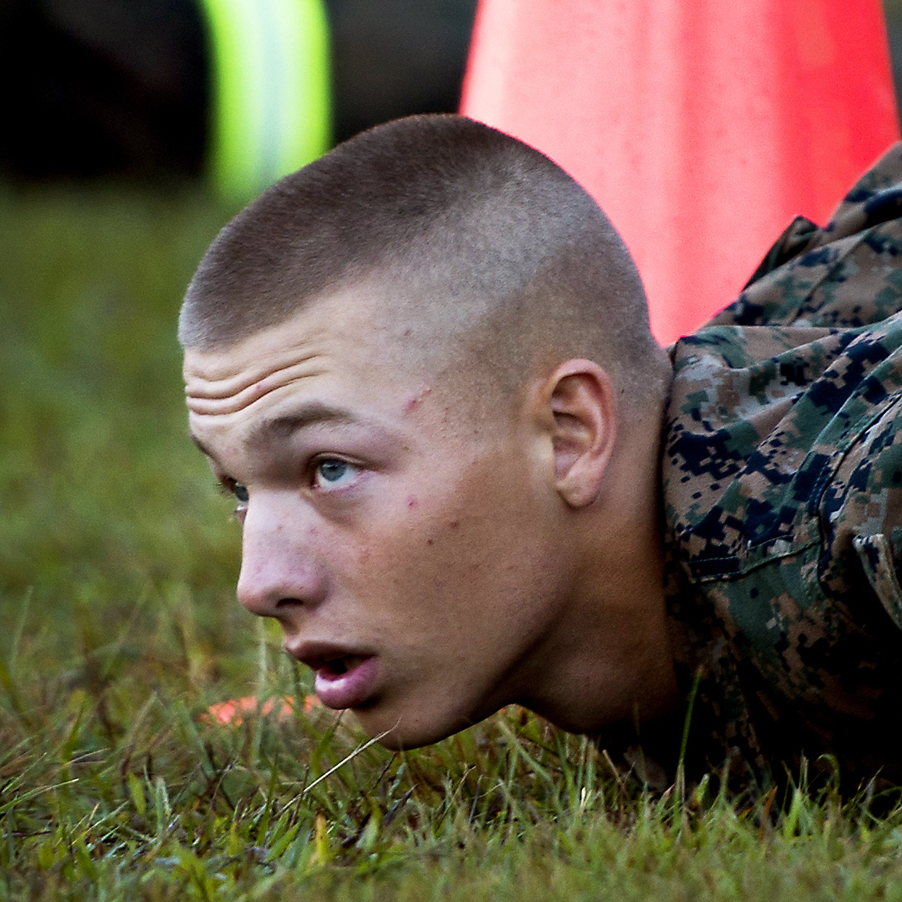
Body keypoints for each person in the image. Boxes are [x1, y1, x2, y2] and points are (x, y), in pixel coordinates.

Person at [180, 114, 902, 791]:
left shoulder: (848, 513)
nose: (260, 586)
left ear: (571, 435)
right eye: (239, 491)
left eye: (331, 469)